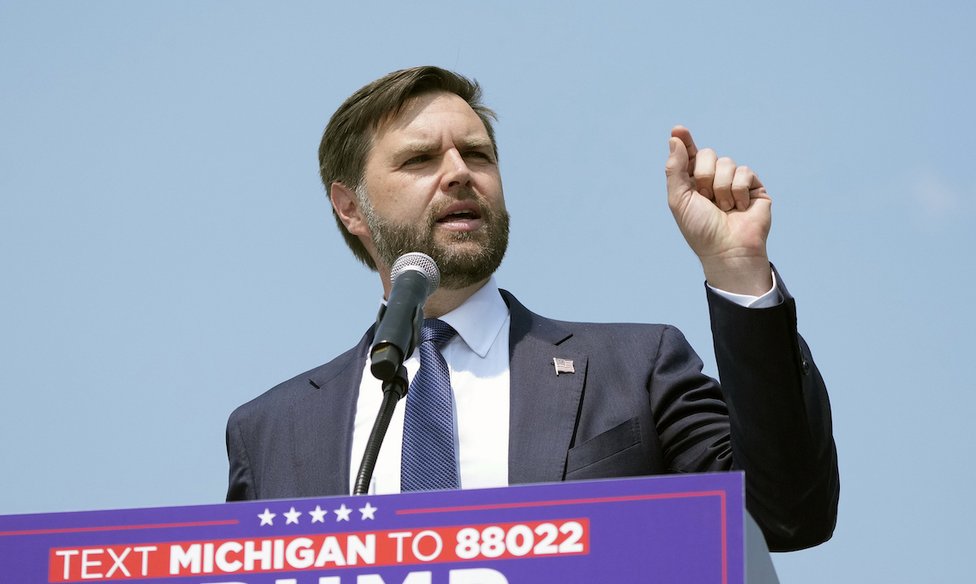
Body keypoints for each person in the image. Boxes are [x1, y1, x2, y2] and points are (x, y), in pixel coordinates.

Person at [225, 66, 839, 551]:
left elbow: (786, 515)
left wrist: (737, 271)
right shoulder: (272, 432)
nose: (460, 174)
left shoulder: (634, 367)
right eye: (420, 159)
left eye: (479, 154)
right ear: (350, 207)